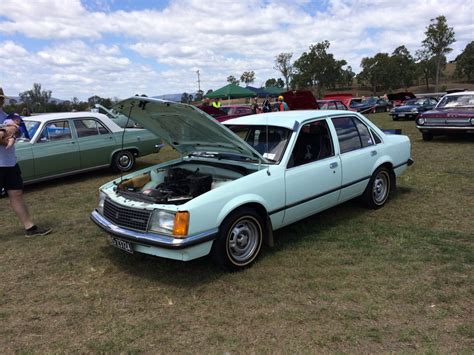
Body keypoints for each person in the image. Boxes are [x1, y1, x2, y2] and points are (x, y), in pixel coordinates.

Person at [0, 87, 52, 237]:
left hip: (9, 163)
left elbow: (18, 132)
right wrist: (6, 136)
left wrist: (10, 134)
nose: (0, 101)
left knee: (16, 193)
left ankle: (30, 228)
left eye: (1, 98)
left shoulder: (7, 117)